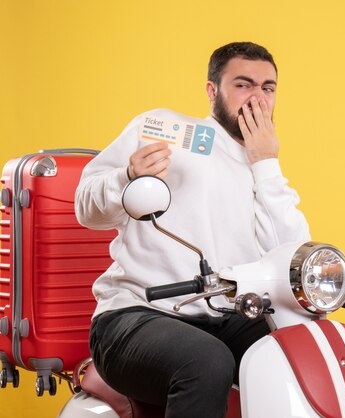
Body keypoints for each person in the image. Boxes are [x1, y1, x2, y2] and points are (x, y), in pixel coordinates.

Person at [75, 42, 310, 417]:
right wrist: (128, 177)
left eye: (267, 88)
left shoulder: (263, 164)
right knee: (207, 361)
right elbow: (86, 208)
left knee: (303, 349)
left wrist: (266, 162)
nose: (257, 99)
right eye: (243, 85)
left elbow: (289, 254)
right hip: (135, 315)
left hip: (224, 317)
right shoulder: (164, 129)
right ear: (212, 90)